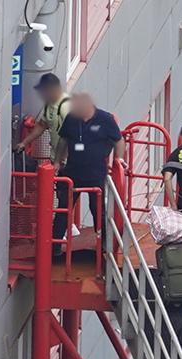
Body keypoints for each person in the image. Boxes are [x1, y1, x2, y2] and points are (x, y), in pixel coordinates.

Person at [53, 93, 127, 250]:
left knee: (98, 210)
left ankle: (105, 246)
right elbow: (63, 140)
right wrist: (58, 162)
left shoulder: (105, 119)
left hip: (96, 173)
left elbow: (119, 140)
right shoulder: (72, 118)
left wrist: (118, 159)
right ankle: (55, 246)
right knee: (63, 209)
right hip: (73, 172)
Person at [15, 73, 70, 163]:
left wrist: (61, 160)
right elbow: (42, 125)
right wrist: (24, 142)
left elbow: (71, 136)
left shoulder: (66, 106)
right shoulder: (49, 105)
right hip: (55, 159)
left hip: (66, 162)